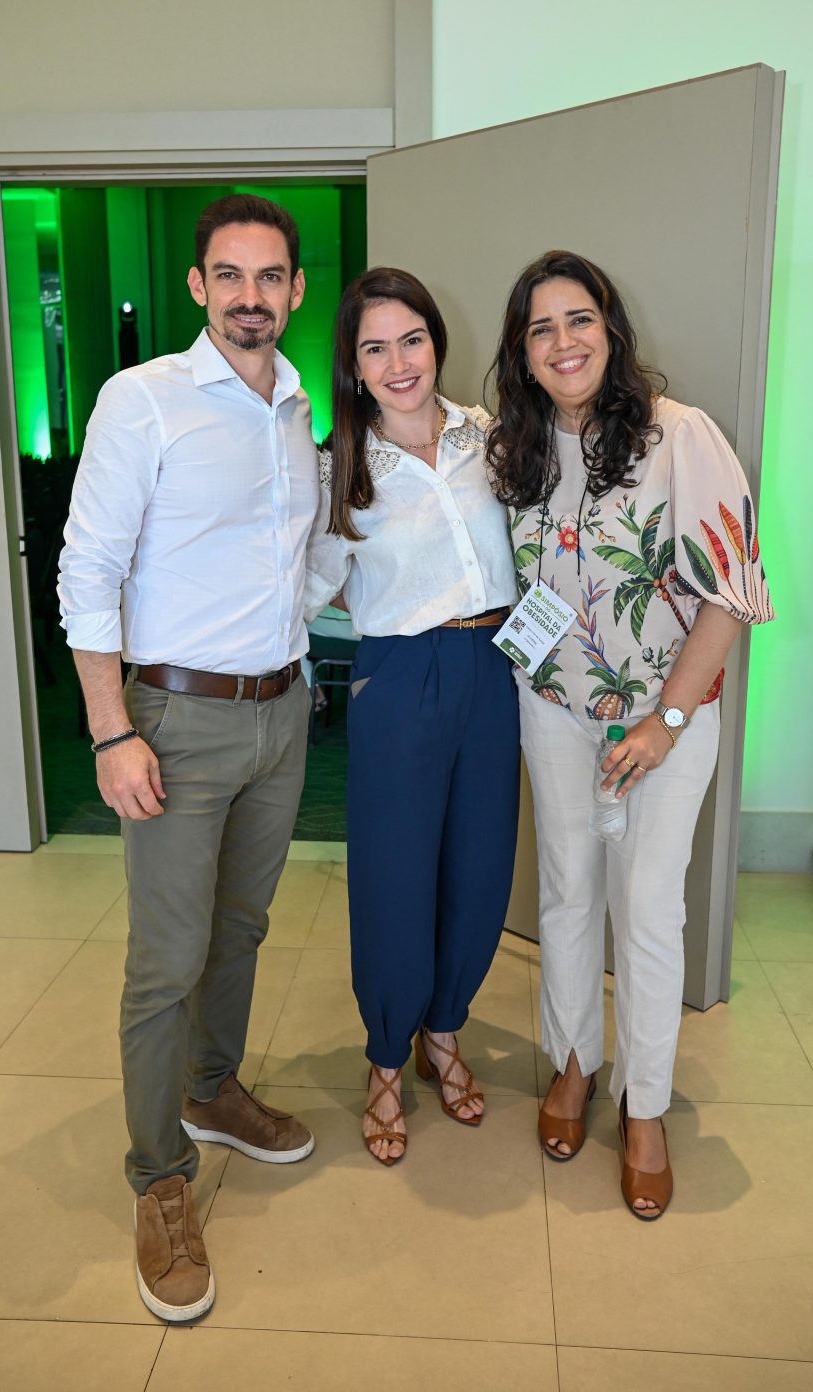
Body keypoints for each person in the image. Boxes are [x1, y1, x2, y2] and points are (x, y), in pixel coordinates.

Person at [58, 194, 319, 1319]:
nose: (251, 295)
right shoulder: (144, 401)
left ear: (296, 289)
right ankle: (158, 1175)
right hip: (173, 720)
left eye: (271, 277)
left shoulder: (304, 405)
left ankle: (214, 1092)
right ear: (198, 287)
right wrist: (112, 728)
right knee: (167, 956)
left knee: (245, 926)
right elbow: (87, 569)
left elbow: (303, 564)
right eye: (231, 275)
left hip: (281, 714)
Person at [486, 250, 774, 1219]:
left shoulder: (679, 436)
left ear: (611, 332)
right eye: (540, 328)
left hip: (666, 715)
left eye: (579, 320)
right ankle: (573, 1059)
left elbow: (732, 594)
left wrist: (665, 720)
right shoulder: (517, 451)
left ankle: (642, 1104)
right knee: (566, 888)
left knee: (645, 906)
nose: (562, 341)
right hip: (555, 707)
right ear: (521, 354)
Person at [305, 268, 520, 1164]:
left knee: (479, 865)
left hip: (495, 665)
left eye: (411, 340)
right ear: (352, 366)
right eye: (373, 347)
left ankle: (444, 1032)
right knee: (395, 876)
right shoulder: (339, 467)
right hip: (398, 676)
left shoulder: (494, 436)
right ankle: (388, 1057)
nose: (398, 363)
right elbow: (307, 587)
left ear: (437, 342)